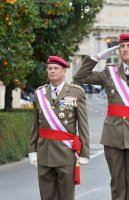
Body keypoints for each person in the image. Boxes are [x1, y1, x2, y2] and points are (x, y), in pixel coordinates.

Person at [73, 33, 129, 200]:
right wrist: (97, 57)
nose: (125, 49)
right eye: (122, 46)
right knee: (117, 182)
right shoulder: (110, 72)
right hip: (112, 135)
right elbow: (80, 77)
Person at [29, 56, 90, 200]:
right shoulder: (40, 93)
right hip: (44, 152)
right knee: (46, 196)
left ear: (64, 71)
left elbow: (83, 125)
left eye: (56, 68)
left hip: (65, 153)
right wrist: (32, 149)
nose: (52, 71)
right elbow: (35, 124)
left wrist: (84, 152)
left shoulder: (76, 92)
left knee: (66, 196)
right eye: (49, 68)